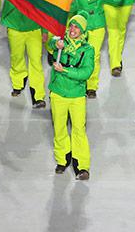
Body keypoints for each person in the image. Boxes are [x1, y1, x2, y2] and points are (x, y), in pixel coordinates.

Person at [49, 12, 95, 180]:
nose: (73, 29)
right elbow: (50, 42)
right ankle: (62, 159)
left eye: (77, 27)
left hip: (76, 96)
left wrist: (65, 70)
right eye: (72, 25)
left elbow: (86, 72)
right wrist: (56, 43)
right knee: (59, 128)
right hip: (58, 93)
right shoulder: (61, 42)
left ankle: (82, 166)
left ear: (83, 31)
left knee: (78, 130)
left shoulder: (88, 50)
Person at [1, 0, 46, 108]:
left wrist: (45, 31)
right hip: (14, 26)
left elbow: (45, 9)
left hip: (34, 28)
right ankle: (18, 82)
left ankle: (38, 95)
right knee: (17, 57)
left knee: (36, 62)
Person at [70, 0, 110, 98]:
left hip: (98, 24)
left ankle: (91, 86)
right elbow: (73, 9)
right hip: (81, 25)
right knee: (78, 55)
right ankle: (80, 82)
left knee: (94, 55)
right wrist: (71, 1)